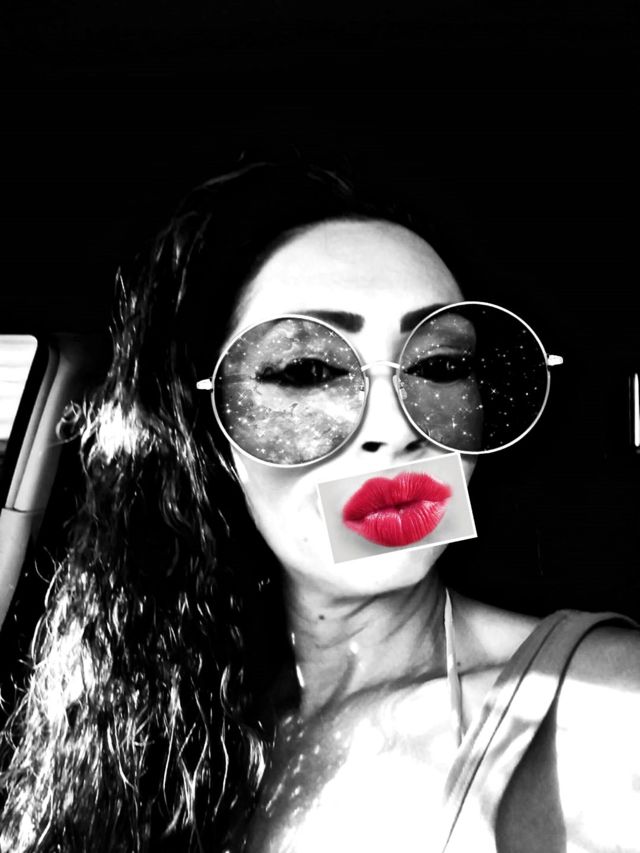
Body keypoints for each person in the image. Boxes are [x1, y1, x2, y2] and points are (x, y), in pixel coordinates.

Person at [0, 160, 638, 852]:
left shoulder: (606, 709)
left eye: (441, 365)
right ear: (207, 437)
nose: (397, 428)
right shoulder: (158, 727)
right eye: (307, 371)